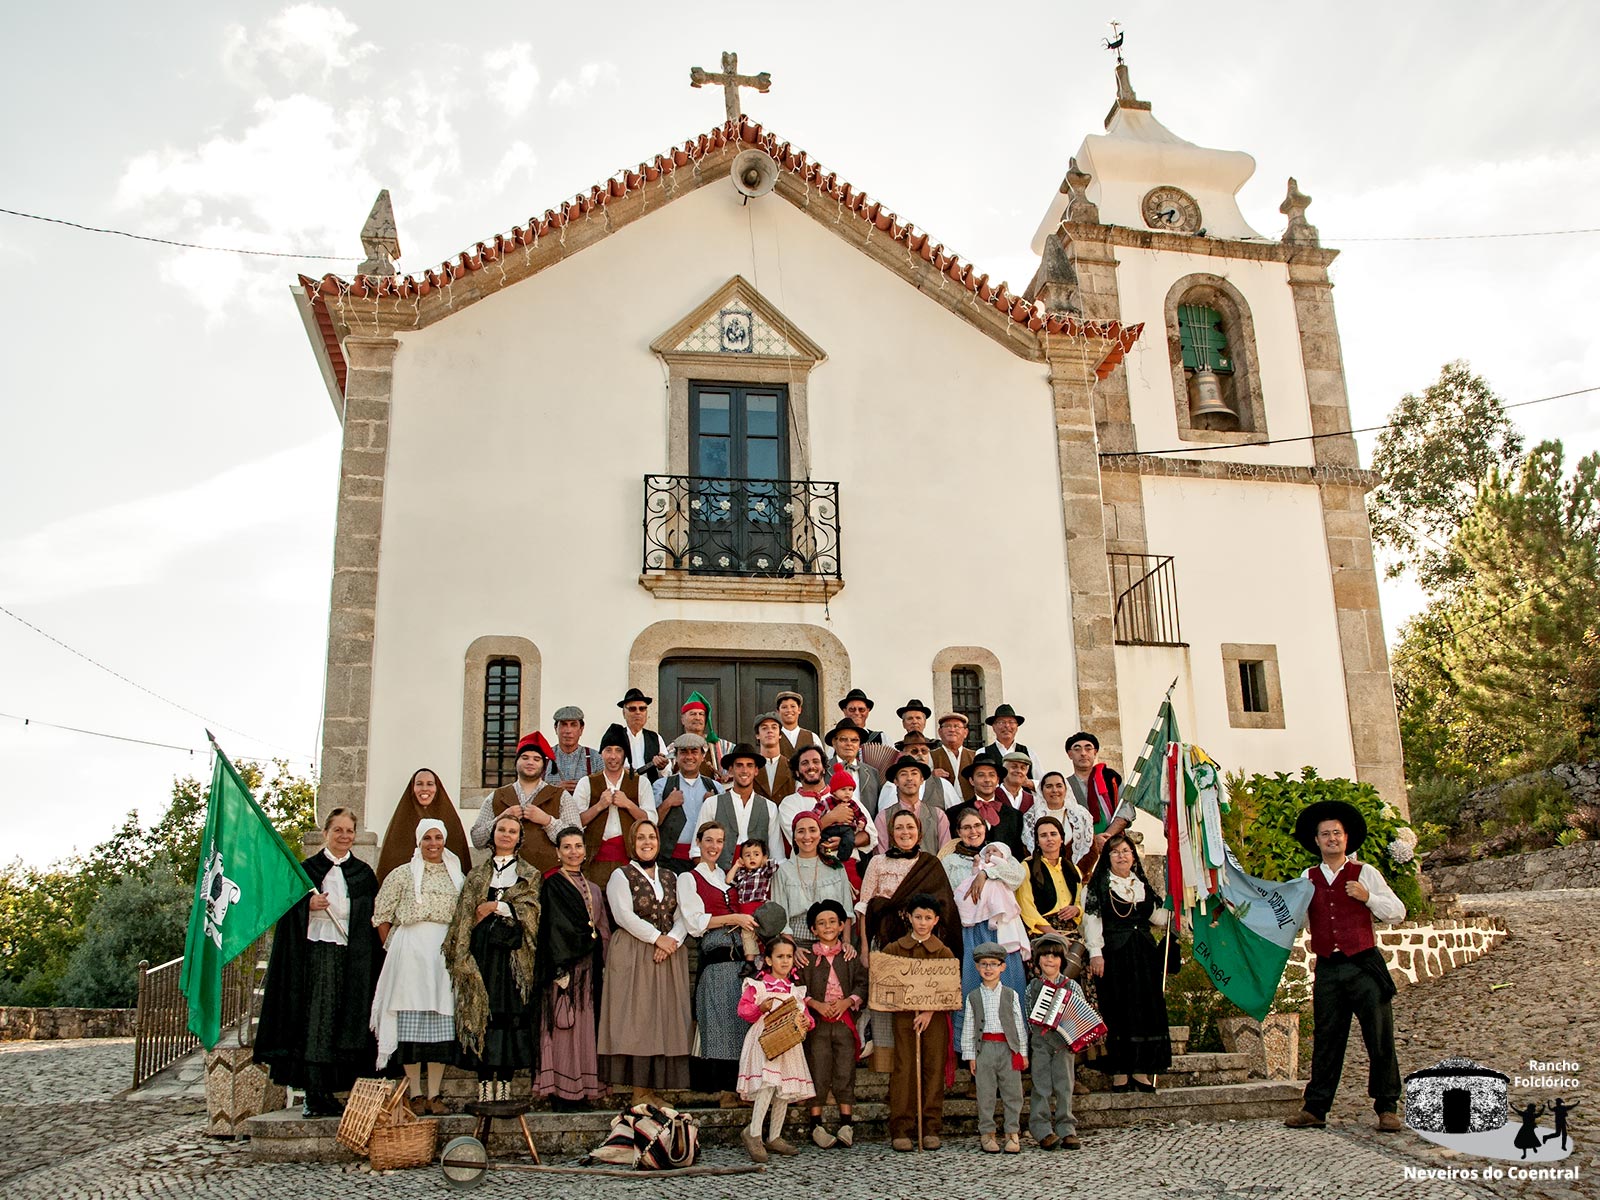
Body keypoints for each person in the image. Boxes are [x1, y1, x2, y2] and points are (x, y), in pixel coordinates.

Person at [1283, 799, 1407, 1133]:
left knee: (1379, 1038)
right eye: (1325, 834)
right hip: (1328, 967)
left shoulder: (1365, 873)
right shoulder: (1306, 879)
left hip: (1364, 965)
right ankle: (1316, 1108)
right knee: (1327, 1039)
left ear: (1346, 838)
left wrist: (1368, 898)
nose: (1332, 839)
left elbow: (1398, 912)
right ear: (1317, 841)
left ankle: (1387, 1108)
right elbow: (1294, 920)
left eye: (1336, 833)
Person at [254, 808, 384, 1117]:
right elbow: (283, 911)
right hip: (317, 954)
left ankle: (334, 1089)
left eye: (349, 831)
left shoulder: (363, 874)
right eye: (337, 830)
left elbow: (372, 916)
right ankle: (314, 1092)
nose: (344, 836)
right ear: (325, 833)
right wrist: (306, 904)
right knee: (316, 1022)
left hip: (351, 958)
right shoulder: (306, 872)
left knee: (343, 1020)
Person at [443, 812, 541, 1103]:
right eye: (502, 829)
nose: (506, 835)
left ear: (519, 838)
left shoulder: (530, 874)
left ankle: (506, 1082)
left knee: (509, 1013)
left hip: (512, 955)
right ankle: (484, 1080)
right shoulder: (476, 874)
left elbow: (531, 912)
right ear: (493, 835)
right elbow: (464, 913)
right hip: (483, 953)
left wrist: (496, 906)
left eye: (512, 831)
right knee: (480, 1010)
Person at [370, 819, 465, 1114]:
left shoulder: (456, 876)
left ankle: (435, 1095)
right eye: (427, 838)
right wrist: (393, 947)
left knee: (439, 1022)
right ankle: (415, 1093)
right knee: (410, 1020)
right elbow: (381, 914)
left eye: (438, 837)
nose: (433, 843)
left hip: (441, 956)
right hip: (409, 952)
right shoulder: (402, 875)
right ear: (418, 841)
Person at [857, 810, 959, 1075]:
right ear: (891, 833)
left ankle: (921, 1059)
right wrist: (865, 948)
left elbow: (944, 905)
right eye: (899, 828)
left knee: (918, 1000)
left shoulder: (930, 864)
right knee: (886, 1000)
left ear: (919, 832)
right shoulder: (878, 862)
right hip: (884, 940)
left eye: (910, 827)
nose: (905, 832)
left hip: (921, 943)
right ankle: (887, 1061)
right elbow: (864, 907)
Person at [596, 820, 692, 1103]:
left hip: (668, 954)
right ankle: (639, 1093)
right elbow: (623, 915)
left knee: (664, 1020)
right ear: (631, 841)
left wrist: (671, 940)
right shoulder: (620, 875)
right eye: (640, 837)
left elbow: (683, 914)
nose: (647, 842)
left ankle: (653, 1091)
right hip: (635, 952)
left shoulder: (672, 877)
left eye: (651, 837)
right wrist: (655, 938)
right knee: (639, 1021)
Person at [1084, 833, 1172, 1094]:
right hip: (1115, 955)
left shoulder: (1141, 884)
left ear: (1134, 856)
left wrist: (1182, 905)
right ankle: (1120, 1071)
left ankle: (1141, 1070)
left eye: (1125, 851)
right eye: (1115, 852)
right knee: (1119, 1010)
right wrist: (1095, 953)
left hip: (1144, 955)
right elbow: (1092, 922)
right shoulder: (1098, 886)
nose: (1121, 855)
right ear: (1107, 858)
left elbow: (1158, 917)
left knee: (1145, 1010)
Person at [679, 821, 760, 1102]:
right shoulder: (689, 878)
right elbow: (695, 922)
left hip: (742, 959)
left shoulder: (727, 875)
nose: (714, 846)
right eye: (709, 840)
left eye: (719, 841)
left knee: (742, 1023)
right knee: (720, 1022)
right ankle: (724, 1089)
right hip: (716, 955)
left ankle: (742, 1087)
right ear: (699, 843)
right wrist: (734, 919)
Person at [532, 826, 611, 1108]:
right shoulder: (553, 885)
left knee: (587, 1028)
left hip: (589, 970)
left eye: (578, 846)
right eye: (567, 847)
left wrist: (603, 961)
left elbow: (601, 929)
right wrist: (560, 968)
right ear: (557, 852)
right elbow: (553, 928)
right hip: (563, 968)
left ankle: (584, 1089)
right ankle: (562, 1092)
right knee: (564, 1028)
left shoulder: (594, 889)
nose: (573, 851)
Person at [942, 807, 1028, 1049]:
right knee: (972, 985)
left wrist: (986, 874)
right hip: (970, 929)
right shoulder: (949, 861)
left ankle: (1014, 1048)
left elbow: (1016, 877)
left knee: (1009, 984)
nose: (973, 831)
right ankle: (971, 1050)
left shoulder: (1000, 854)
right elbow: (949, 897)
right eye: (967, 827)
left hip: (1001, 931)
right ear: (958, 832)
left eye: (977, 826)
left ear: (985, 827)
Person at [878, 892, 957, 1152]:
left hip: (933, 1018)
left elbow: (948, 989)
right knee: (904, 1067)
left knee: (933, 1067)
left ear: (935, 921)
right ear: (908, 917)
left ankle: (931, 1126)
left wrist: (929, 1011)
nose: (922, 922)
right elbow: (884, 985)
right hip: (904, 1016)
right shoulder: (894, 949)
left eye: (928, 918)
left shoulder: (943, 952)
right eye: (918, 917)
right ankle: (901, 1127)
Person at [736, 934, 815, 1162]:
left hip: (788, 1044)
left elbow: (808, 1019)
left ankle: (774, 1136)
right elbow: (744, 1011)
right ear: (768, 960)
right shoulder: (758, 986)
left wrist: (805, 1023)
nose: (785, 961)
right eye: (779, 956)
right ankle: (753, 1133)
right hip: (765, 1040)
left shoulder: (795, 990)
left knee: (784, 1088)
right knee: (768, 1084)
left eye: (789, 957)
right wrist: (760, 1007)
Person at [797, 899, 867, 1148]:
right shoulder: (805, 957)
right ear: (813, 930)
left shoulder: (849, 956)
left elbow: (862, 984)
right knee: (818, 1066)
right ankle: (816, 1125)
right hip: (817, 1023)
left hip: (844, 1021)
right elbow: (796, 988)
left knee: (845, 1068)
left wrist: (848, 1001)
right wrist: (816, 1004)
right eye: (821, 923)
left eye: (832, 922)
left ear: (841, 926)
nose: (827, 927)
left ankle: (847, 1123)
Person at [567, 723, 654, 887]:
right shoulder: (587, 782)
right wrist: (599, 806)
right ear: (601, 754)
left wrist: (628, 804)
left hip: (630, 860)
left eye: (618, 750)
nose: (613, 756)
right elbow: (573, 823)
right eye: (608, 750)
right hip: (594, 860)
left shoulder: (641, 783)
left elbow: (651, 820)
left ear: (625, 754)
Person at [962, 941, 1027, 1154]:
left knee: (1013, 1092)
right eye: (983, 964)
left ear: (1002, 967)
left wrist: (1022, 1052)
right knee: (986, 1092)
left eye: (993, 964)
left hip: (1008, 1049)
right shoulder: (973, 996)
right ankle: (987, 1132)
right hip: (985, 1050)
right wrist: (971, 1055)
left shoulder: (1011, 994)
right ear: (978, 968)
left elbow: (1018, 1024)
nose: (988, 969)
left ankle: (1012, 1132)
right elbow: (969, 1026)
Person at [470, 735, 566, 874]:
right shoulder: (497, 796)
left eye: (536, 759)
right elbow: (477, 840)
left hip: (548, 875)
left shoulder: (561, 796)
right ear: (516, 762)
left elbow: (575, 837)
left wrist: (547, 821)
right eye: (525, 757)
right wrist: (501, 819)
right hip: (503, 875)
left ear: (544, 766)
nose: (530, 762)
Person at [1024, 933, 1081, 1150]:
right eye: (1045, 956)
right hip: (1040, 1044)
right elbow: (1029, 1016)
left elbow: (1079, 1014)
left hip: (1064, 1046)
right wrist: (1039, 1037)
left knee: (1065, 1086)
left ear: (1062, 960)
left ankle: (1067, 1128)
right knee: (1041, 1086)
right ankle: (1041, 1129)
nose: (1050, 960)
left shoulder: (1072, 986)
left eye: (1055, 957)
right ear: (1038, 960)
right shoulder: (1032, 988)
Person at [772, 815, 858, 950]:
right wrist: (792, 948)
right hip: (798, 943)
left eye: (812, 830)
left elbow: (847, 911)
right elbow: (780, 917)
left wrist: (846, 942)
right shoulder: (783, 871)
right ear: (794, 837)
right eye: (801, 831)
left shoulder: (835, 867)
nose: (807, 836)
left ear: (820, 835)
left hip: (834, 942)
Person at [377, 767, 471, 885]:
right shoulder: (400, 821)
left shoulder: (451, 821)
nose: (425, 788)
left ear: (436, 788)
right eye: (419, 784)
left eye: (430, 784)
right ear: (413, 788)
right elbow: (391, 862)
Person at [699, 743, 786, 869]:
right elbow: (697, 850)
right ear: (730, 770)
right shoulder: (712, 803)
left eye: (749, 765)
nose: (744, 770)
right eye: (739, 765)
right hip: (719, 878)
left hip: (756, 882)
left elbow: (777, 854)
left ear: (756, 770)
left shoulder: (769, 807)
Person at [1066, 732, 1133, 875]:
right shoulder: (1064, 786)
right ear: (1070, 754)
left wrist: (1107, 837)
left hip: (1114, 847)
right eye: (1077, 749)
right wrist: (1092, 840)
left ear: (1095, 752)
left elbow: (1126, 810)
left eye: (1088, 748)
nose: (1083, 753)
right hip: (1081, 853)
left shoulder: (1111, 779)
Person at [653, 733, 722, 866]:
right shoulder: (661, 785)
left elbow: (723, 827)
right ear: (676, 757)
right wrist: (668, 803)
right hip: (669, 861)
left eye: (694, 752)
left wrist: (713, 804)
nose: (689, 757)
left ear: (702, 757)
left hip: (705, 859)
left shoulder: (716, 788)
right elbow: (652, 824)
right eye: (683, 752)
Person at [1017, 816, 1085, 940]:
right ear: (1037, 841)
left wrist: (1077, 909)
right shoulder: (1027, 867)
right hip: (1042, 932)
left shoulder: (1073, 869)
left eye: (1053, 834)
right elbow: (1025, 905)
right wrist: (1052, 933)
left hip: (1071, 930)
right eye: (1043, 835)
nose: (1049, 839)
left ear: (1061, 839)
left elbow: (1081, 900)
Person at [951, 759, 1027, 861]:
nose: (987, 780)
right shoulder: (954, 813)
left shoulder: (1014, 815)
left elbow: (1017, 852)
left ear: (997, 780)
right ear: (971, 781)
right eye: (981, 775)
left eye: (991, 775)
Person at [875, 756, 951, 855]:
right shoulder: (883, 817)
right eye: (903, 774)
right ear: (896, 781)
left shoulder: (938, 815)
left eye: (914, 773)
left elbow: (945, 854)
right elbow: (881, 857)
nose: (909, 778)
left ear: (922, 779)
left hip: (931, 869)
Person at [874, 733, 959, 815]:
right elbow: (886, 818)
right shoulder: (892, 785)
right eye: (914, 751)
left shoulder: (943, 785)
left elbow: (956, 815)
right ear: (903, 754)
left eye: (924, 751)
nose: (920, 754)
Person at [1024, 771, 1095, 864]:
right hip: (1042, 874)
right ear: (1041, 790)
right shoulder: (1032, 816)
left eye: (1059, 786)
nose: (1054, 790)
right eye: (1049, 786)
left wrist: (1077, 874)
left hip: (1078, 875)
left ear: (1066, 789)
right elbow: (1027, 851)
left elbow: (1091, 850)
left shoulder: (1081, 814)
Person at [728, 838, 780, 962]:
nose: (752, 858)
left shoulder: (763, 872)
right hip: (745, 913)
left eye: (756, 854)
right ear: (742, 859)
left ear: (763, 857)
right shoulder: (741, 874)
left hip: (760, 910)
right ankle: (750, 962)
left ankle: (770, 959)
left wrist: (763, 861)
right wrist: (736, 865)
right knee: (748, 937)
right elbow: (728, 880)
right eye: (747, 855)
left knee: (767, 935)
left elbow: (775, 865)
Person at [824, 718, 883, 804]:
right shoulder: (823, 770)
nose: (849, 744)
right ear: (834, 742)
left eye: (854, 740)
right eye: (843, 739)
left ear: (859, 744)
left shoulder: (873, 773)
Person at [617, 687, 669, 783]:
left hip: (650, 791)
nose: (638, 712)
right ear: (624, 713)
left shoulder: (655, 738)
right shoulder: (615, 737)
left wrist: (662, 767)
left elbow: (667, 774)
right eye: (632, 709)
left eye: (642, 709)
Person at [547, 706, 600, 793]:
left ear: (581, 730)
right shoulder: (543, 757)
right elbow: (532, 789)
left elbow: (604, 789)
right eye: (564, 724)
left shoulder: (596, 758)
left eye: (573, 725)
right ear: (556, 728)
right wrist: (554, 789)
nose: (568, 731)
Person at [753, 712, 797, 806]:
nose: (770, 731)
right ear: (757, 735)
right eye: (764, 728)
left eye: (774, 727)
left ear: (780, 734)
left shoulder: (793, 767)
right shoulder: (751, 768)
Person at [933, 713, 977, 803]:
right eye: (948, 726)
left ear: (965, 732)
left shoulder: (975, 755)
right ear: (940, 732)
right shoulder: (931, 756)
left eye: (957, 726)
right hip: (942, 806)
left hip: (970, 806)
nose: (952, 730)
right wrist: (931, 776)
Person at [679, 693, 725, 779]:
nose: (698, 718)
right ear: (683, 720)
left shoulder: (722, 746)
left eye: (701, 714)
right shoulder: (673, 748)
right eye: (693, 714)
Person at [976, 704, 1030, 772]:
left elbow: (1040, 780)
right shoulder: (982, 753)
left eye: (1011, 722)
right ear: (993, 727)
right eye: (1001, 722)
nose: (1007, 725)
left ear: (1017, 727)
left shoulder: (1028, 753)